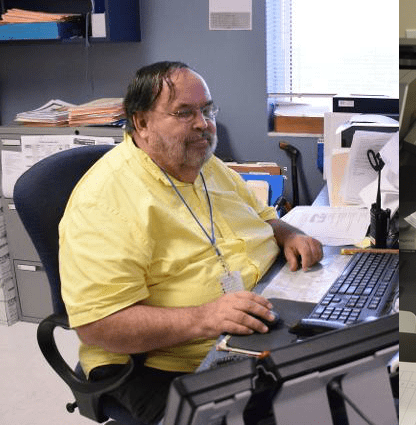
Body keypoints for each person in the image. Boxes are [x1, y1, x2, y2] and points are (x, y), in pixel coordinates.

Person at [58, 61, 323, 424]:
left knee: (346, 370)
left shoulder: (201, 159)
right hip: (165, 364)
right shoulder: (104, 201)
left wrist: (289, 233)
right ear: (142, 123)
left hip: (254, 325)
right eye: (184, 113)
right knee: (311, 405)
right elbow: (99, 325)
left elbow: (264, 217)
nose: (203, 124)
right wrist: (205, 317)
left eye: (207, 109)